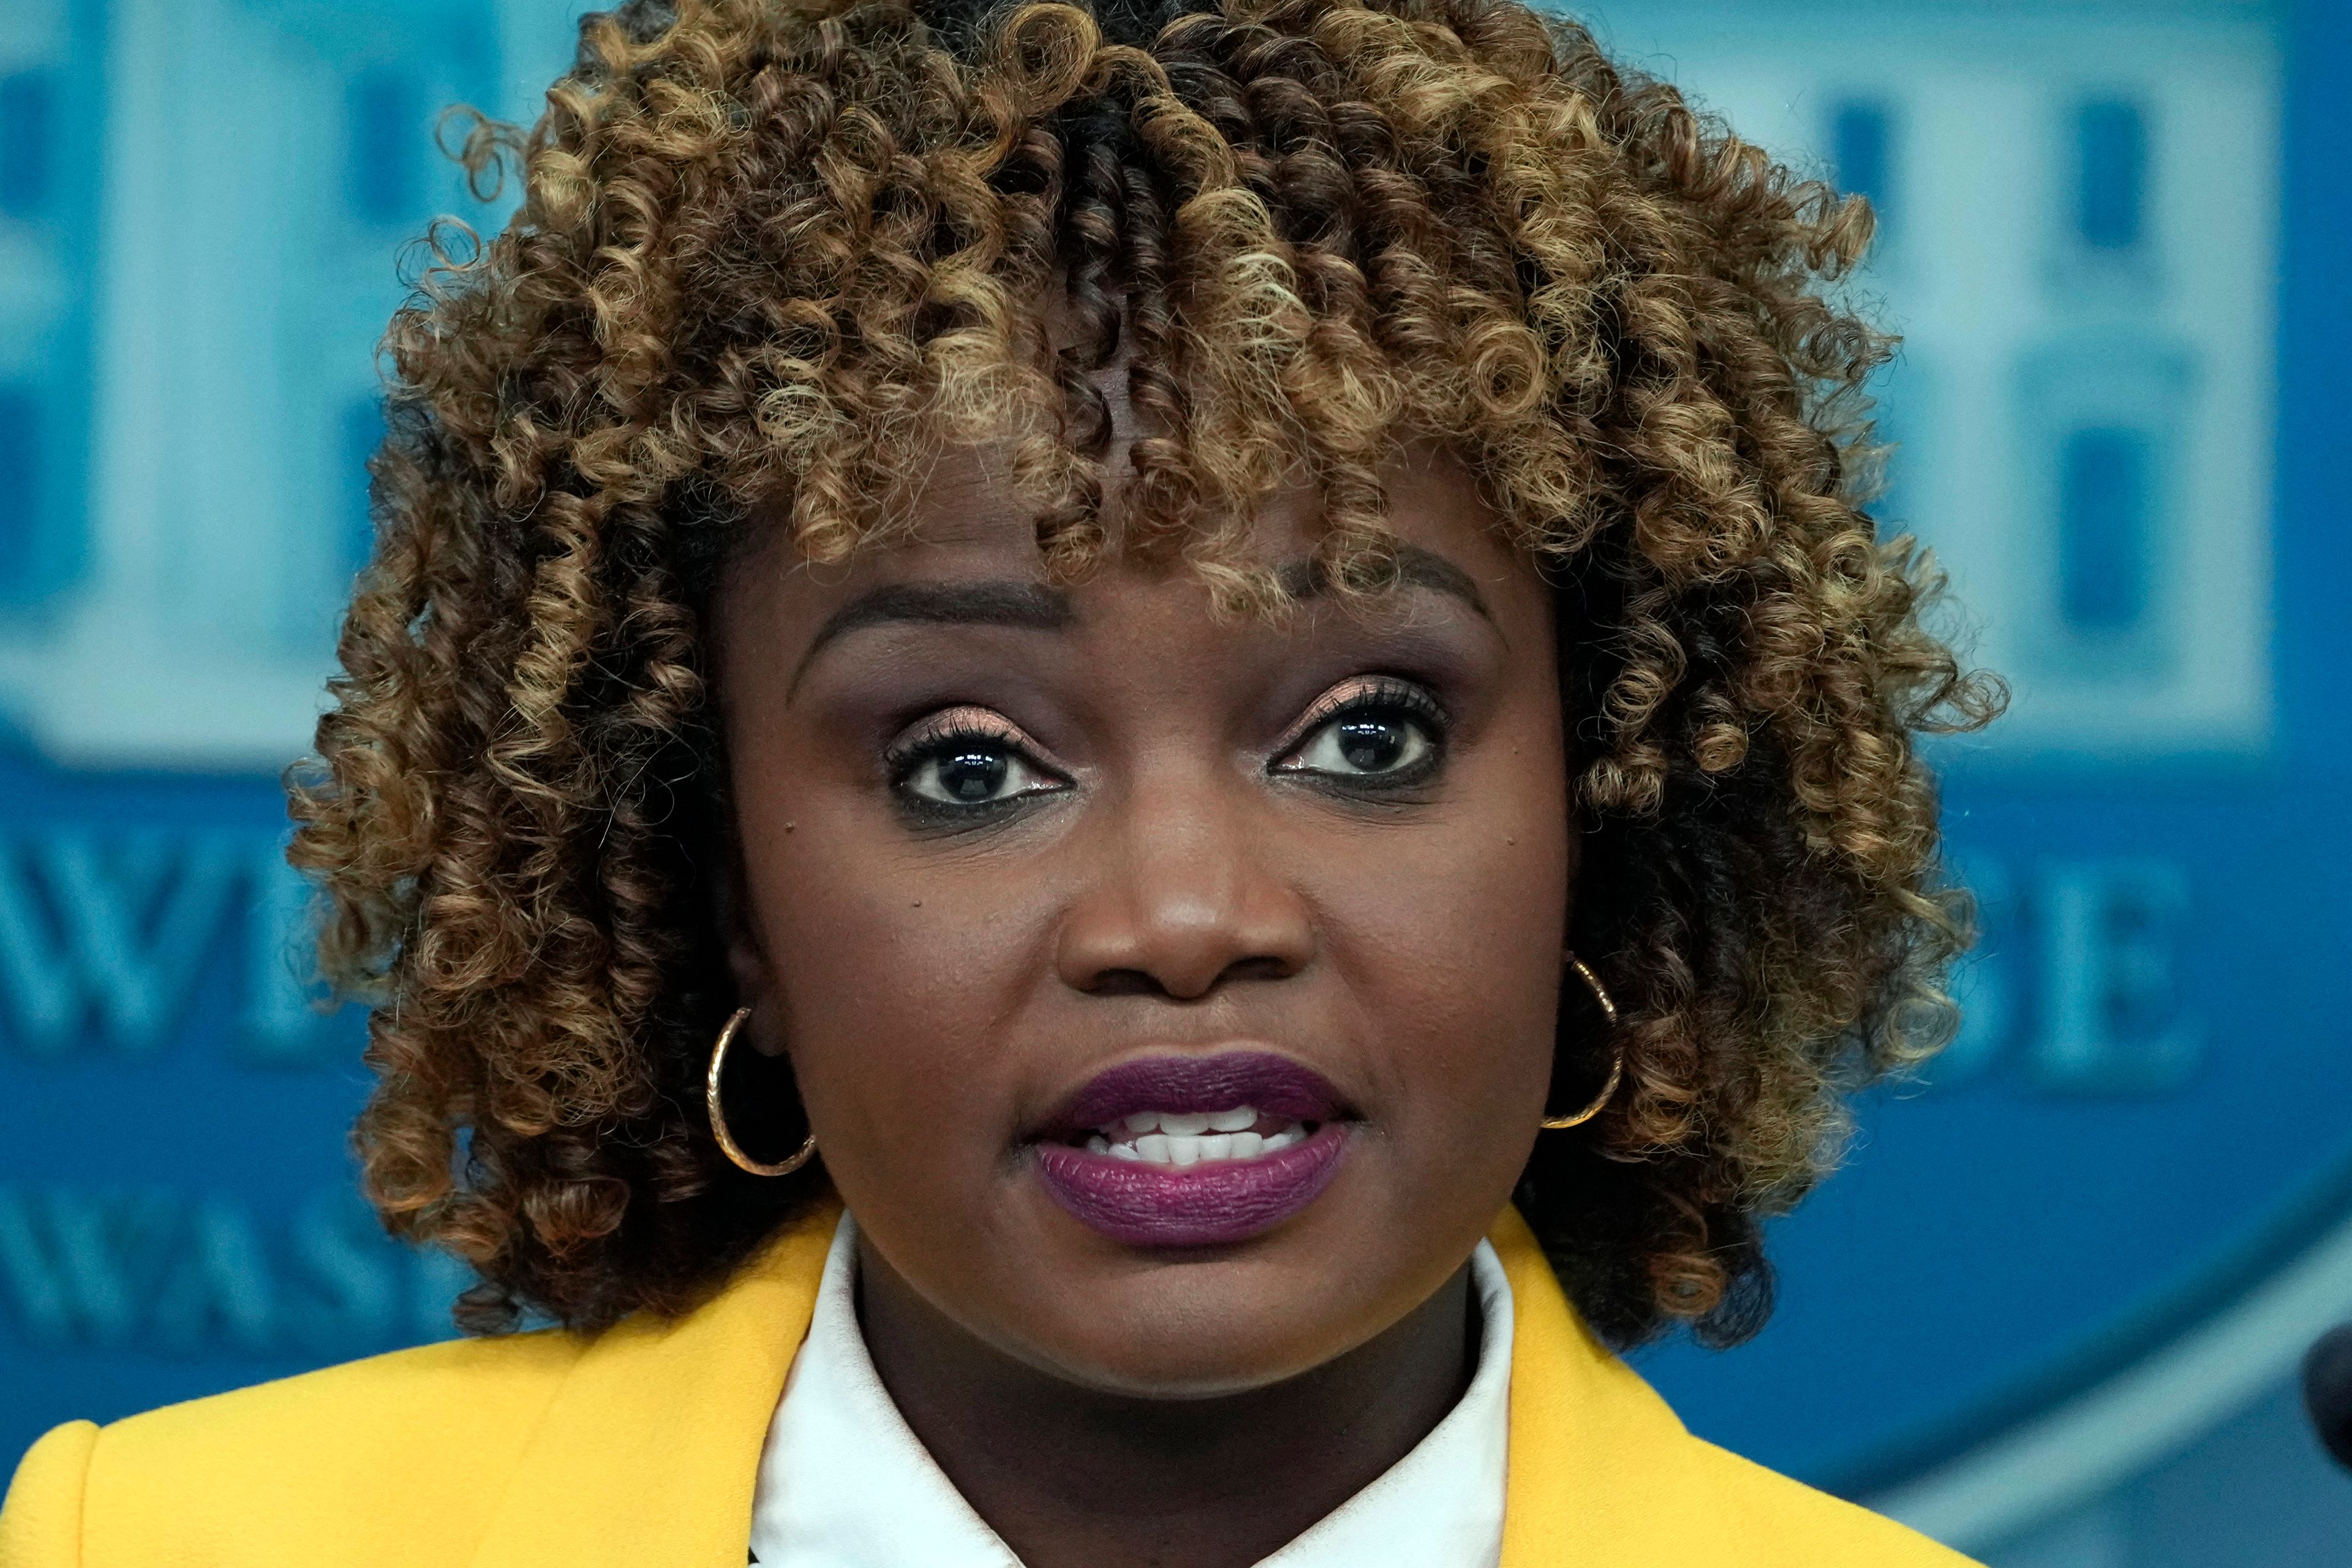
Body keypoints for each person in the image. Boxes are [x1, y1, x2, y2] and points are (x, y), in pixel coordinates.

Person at [0, 0, 2003, 1561]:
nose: (1187, 915)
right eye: (968, 764)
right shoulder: (150, 1549)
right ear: (723, 891)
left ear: (1607, 812)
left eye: (1367, 733)